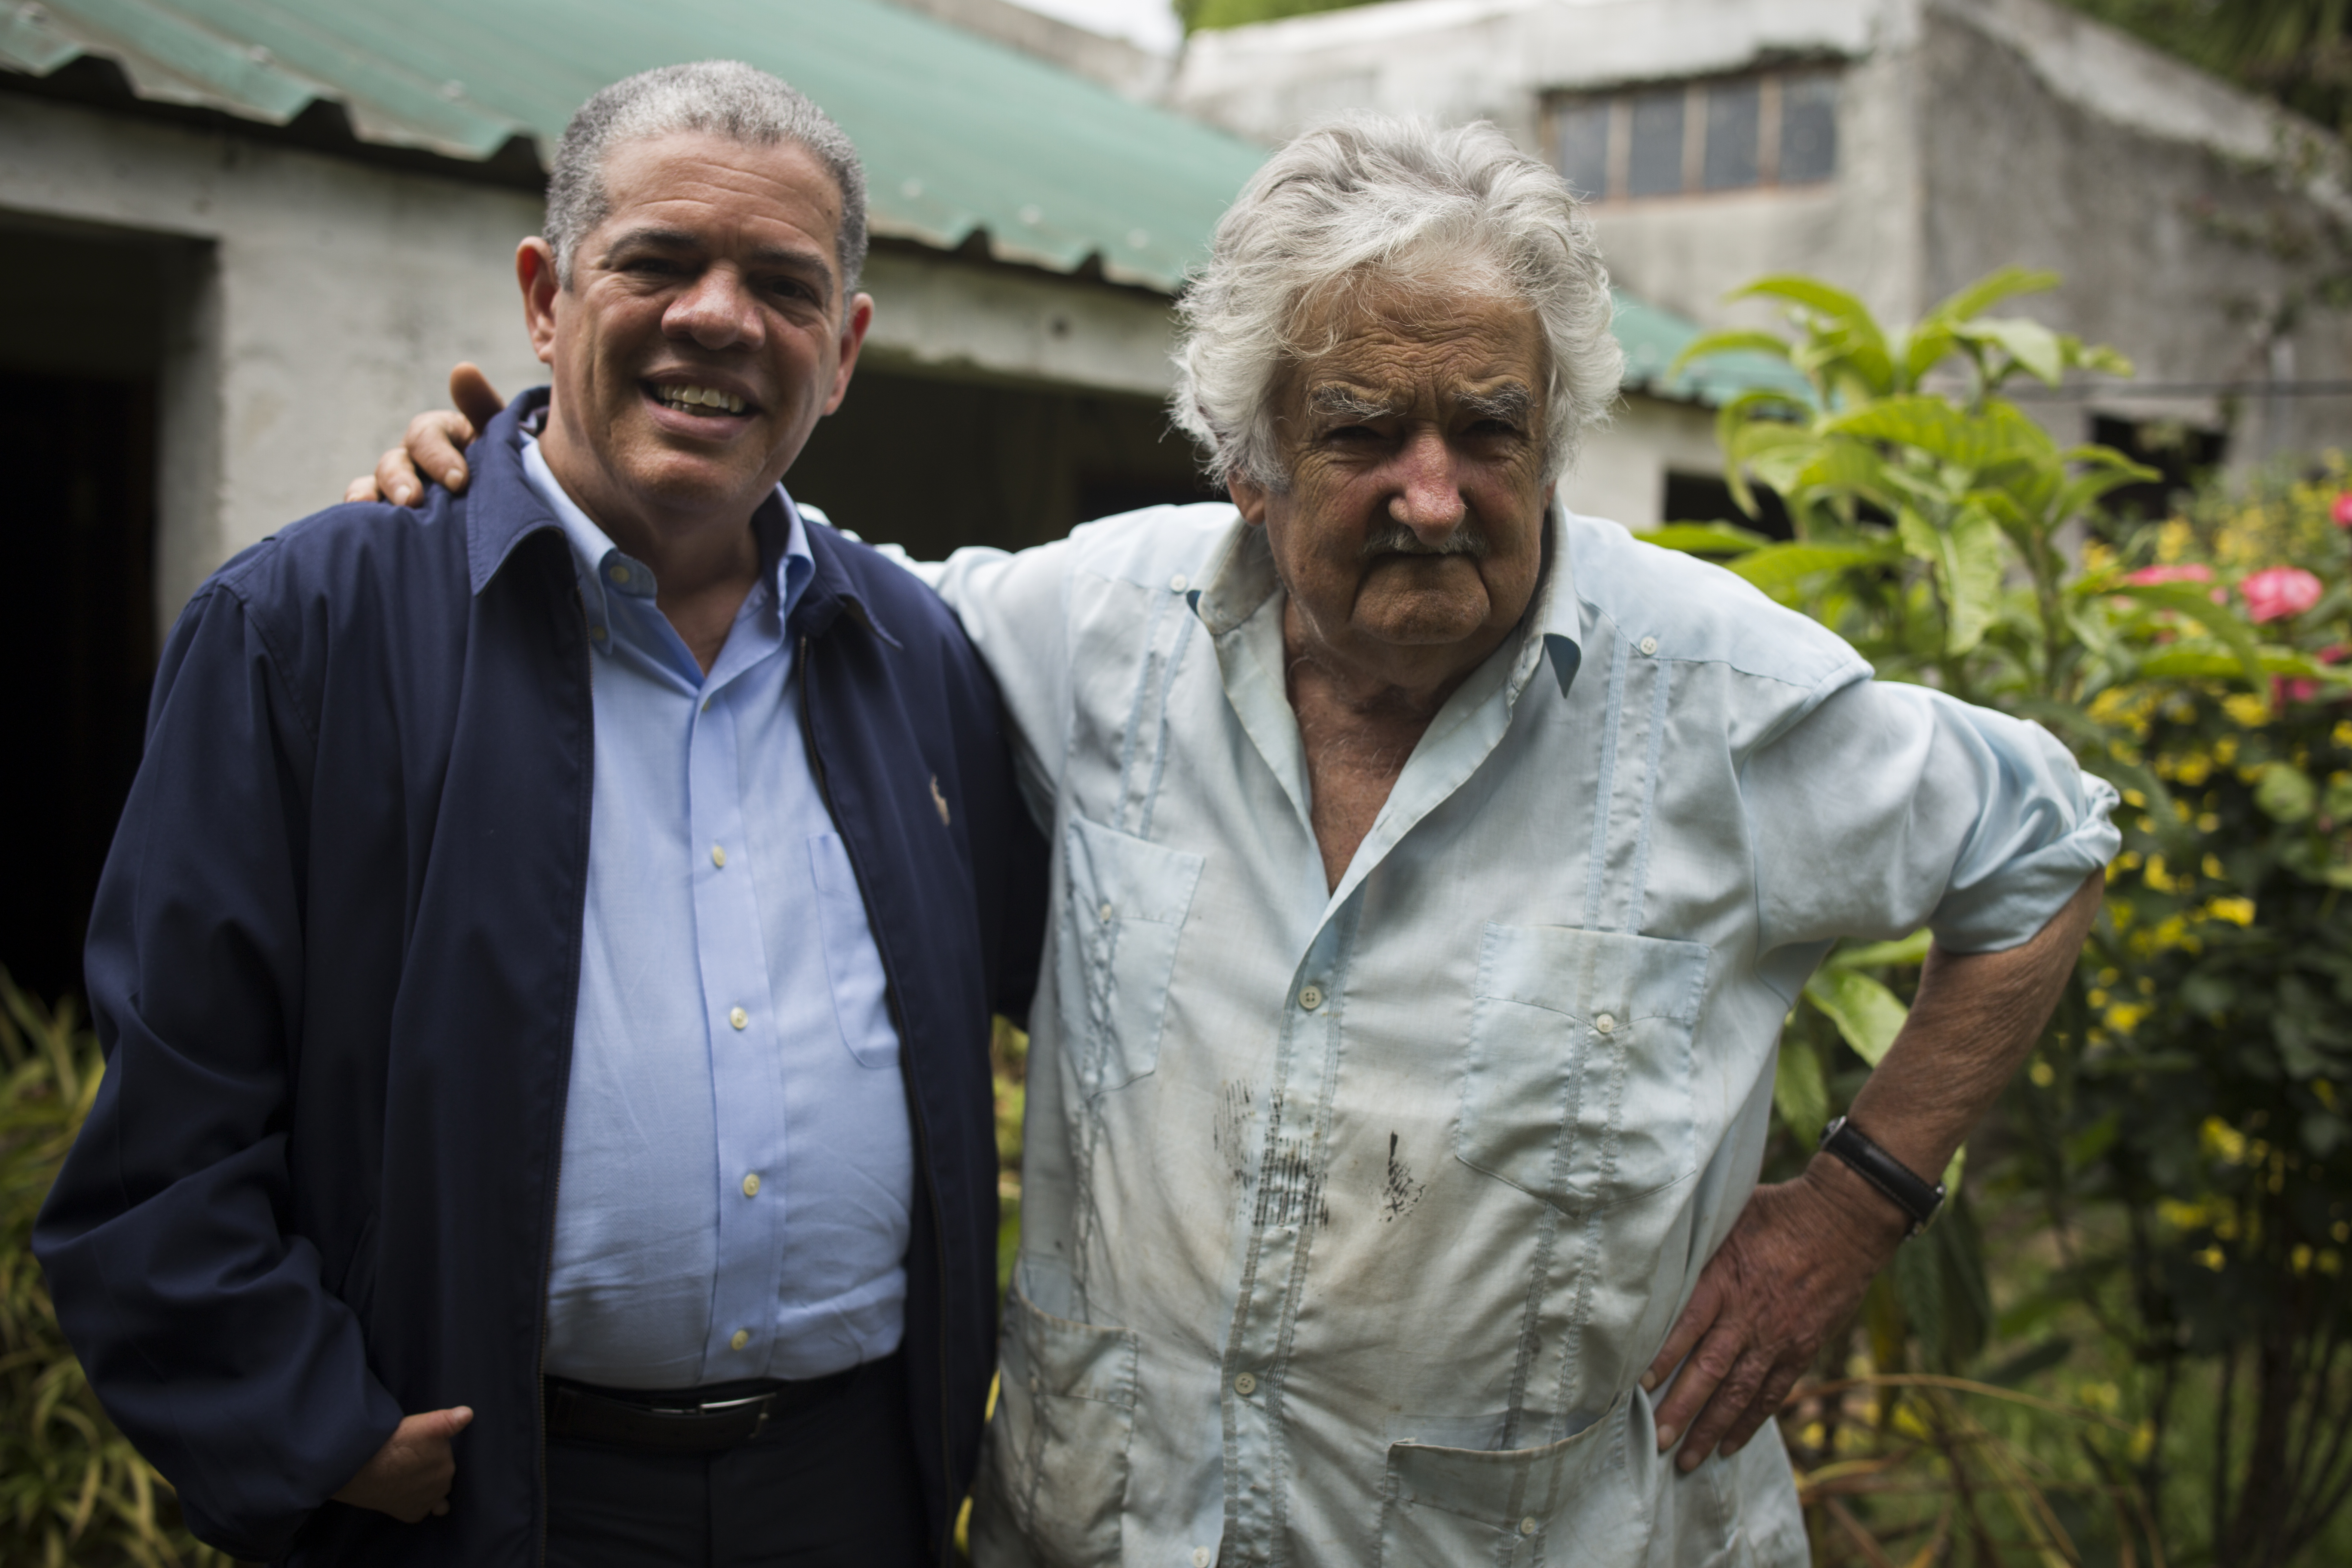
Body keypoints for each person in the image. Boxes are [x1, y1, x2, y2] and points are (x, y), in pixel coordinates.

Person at [363, 115, 2116, 1565]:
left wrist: (1856, 1204)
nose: (1433, 493)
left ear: (1552, 433)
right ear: (1252, 459)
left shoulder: (1718, 690)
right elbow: (766, 564)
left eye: (1489, 434)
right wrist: (524, 477)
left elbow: (2044, 851)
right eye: (1364, 433)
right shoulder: (1080, 630)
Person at [36, 62, 1043, 1568]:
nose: (717, 317)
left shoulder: (919, 653)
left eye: (782, 283)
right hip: (488, 1502)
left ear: (842, 352)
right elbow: (164, 1134)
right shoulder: (306, 630)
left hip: (857, 1492)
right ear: (546, 297)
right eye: (655, 262)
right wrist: (318, 1432)